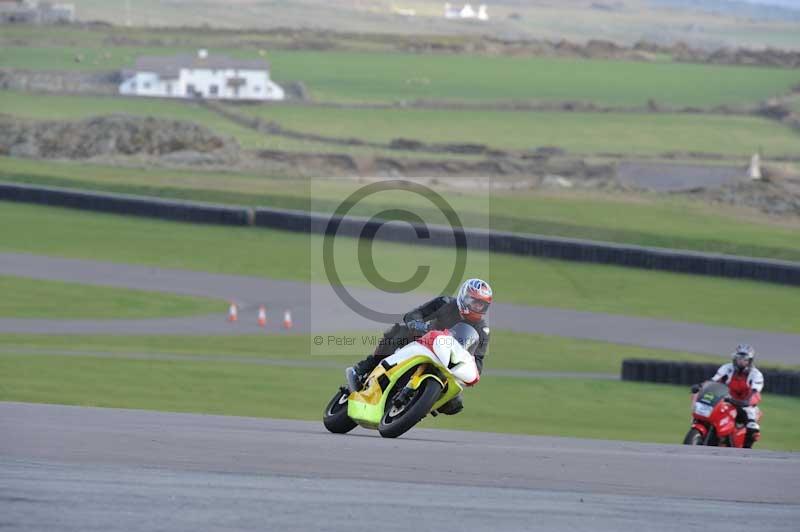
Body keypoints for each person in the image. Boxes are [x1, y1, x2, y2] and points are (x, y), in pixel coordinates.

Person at [345, 278, 493, 415]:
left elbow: (477, 362)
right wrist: (418, 325)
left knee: (455, 404)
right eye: (475, 302)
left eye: (482, 305)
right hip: (424, 341)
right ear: (464, 297)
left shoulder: (482, 331)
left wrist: (467, 371)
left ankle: (422, 405)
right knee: (398, 332)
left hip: (447, 364)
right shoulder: (444, 302)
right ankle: (363, 368)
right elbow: (415, 314)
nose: (477, 307)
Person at [696, 344, 764, 448]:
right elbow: (714, 380)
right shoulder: (727, 368)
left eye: (744, 359)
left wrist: (746, 402)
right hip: (726, 399)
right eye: (739, 358)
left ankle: (746, 450)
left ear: (750, 361)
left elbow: (755, 392)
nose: (741, 361)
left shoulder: (756, 375)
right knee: (711, 413)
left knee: (752, 427)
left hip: (746, 404)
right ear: (735, 358)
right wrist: (700, 386)